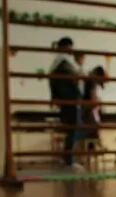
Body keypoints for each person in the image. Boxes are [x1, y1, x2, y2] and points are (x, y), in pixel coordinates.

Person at [49, 37, 84, 168]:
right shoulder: (62, 63)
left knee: (75, 129)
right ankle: (68, 159)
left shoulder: (62, 63)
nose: (71, 50)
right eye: (70, 47)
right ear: (64, 47)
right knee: (74, 129)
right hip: (70, 100)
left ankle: (68, 158)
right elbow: (69, 80)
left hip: (70, 100)